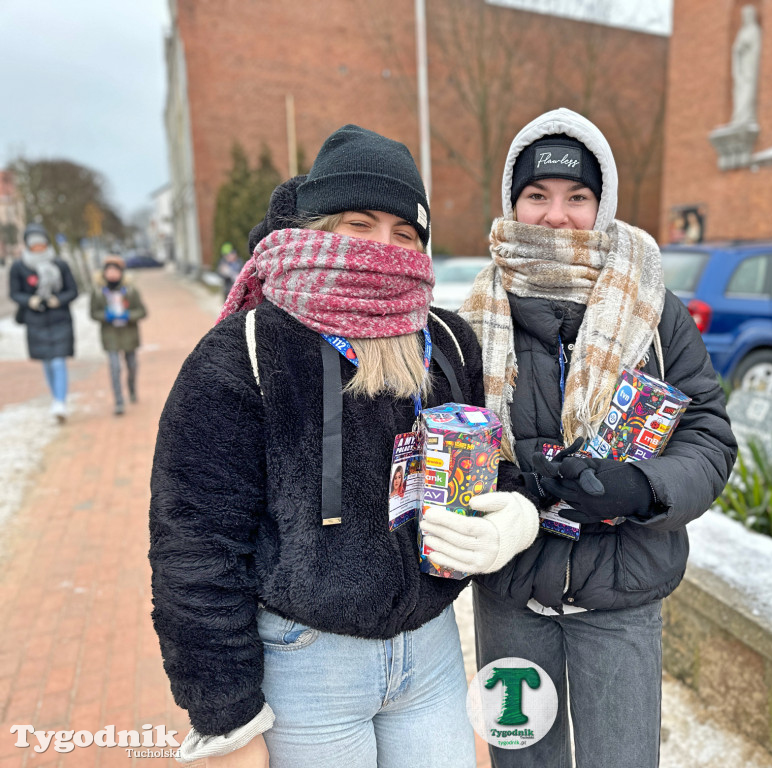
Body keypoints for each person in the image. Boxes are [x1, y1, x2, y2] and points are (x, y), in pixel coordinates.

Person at [148, 125, 540, 768]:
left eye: (405, 232)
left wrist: (513, 515)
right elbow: (194, 544)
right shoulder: (244, 352)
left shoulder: (446, 341)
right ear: (319, 227)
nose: (385, 248)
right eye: (361, 223)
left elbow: (493, 460)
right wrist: (228, 719)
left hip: (431, 651)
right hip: (306, 664)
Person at [442, 108, 737, 767]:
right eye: (537, 196)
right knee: (523, 760)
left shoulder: (654, 311)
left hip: (621, 593)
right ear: (512, 202)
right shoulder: (473, 318)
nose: (556, 215)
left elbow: (709, 437)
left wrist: (644, 488)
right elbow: (450, 445)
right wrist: (512, 492)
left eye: (578, 197)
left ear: (602, 206)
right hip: (513, 593)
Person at [8, 223, 79, 423]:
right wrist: (29, 300)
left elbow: (72, 290)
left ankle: (60, 402)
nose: (38, 248)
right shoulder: (19, 267)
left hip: (60, 319)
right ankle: (56, 398)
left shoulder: (60, 264)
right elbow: (14, 293)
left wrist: (59, 299)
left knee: (58, 361)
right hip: (35, 321)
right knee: (47, 363)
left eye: (41, 244)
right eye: (34, 245)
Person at [90, 255, 147, 415]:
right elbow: (93, 313)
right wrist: (105, 316)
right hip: (110, 335)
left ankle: (132, 388)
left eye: (116, 271)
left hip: (129, 334)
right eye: (109, 271)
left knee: (132, 366)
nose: (112, 274)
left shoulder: (130, 290)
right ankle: (119, 401)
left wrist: (128, 315)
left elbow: (142, 311)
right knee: (114, 368)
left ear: (121, 272)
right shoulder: (99, 292)